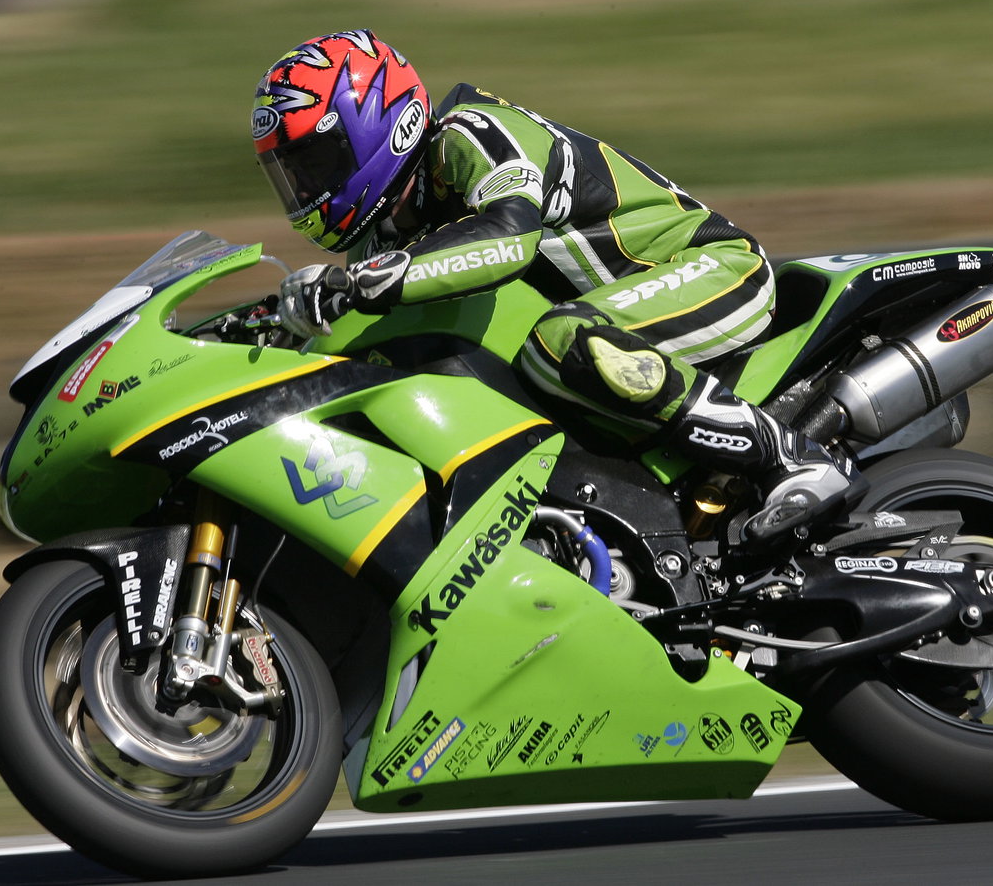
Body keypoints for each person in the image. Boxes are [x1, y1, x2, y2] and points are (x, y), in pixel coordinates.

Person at [251, 30, 860, 539]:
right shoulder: (381, 236)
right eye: (290, 174)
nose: (304, 189)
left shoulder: (472, 133)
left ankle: (788, 456)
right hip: (619, 315)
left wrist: (362, 283)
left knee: (563, 339)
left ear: (384, 124)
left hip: (713, 269)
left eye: (315, 162)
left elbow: (507, 236)